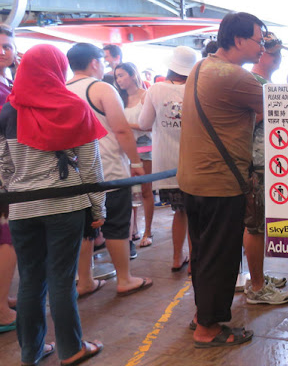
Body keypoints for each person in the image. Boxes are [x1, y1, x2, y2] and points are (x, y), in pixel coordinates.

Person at [0, 44, 105, 365]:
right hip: (65, 206)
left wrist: (8, 200)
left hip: (21, 209)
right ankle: (71, 349)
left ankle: (31, 351)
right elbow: (90, 166)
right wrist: (98, 209)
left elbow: (3, 165)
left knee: (31, 280)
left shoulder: (9, 110)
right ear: (57, 70)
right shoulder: (72, 106)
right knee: (62, 278)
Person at [178, 12, 265, 348]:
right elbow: (285, 105)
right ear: (239, 40)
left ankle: (203, 314)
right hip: (219, 183)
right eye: (258, 41)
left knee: (202, 253)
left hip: (193, 180)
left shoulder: (202, 67)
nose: (260, 48)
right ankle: (209, 329)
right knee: (221, 256)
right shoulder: (234, 76)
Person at [67, 43, 152, 297]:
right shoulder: (101, 88)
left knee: (84, 228)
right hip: (108, 169)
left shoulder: (62, 90)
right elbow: (122, 129)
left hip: (75, 171)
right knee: (116, 223)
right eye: (101, 61)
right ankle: (124, 279)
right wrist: (136, 163)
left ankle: (84, 281)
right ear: (94, 63)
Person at [138, 46, 198, 271]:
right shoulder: (196, 89)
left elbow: (144, 124)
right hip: (194, 162)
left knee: (179, 211)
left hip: (166, 164)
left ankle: (176, 258)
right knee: (195, 214)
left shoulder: (155, 90)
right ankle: (194, 260)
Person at [244, 32, 288, 304]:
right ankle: (257, 287)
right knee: (255, 227)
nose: (278, 58)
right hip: (258, 163)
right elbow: (245, 121)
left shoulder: (265, 83)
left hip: (271, 162)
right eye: (273, 53)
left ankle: (258, 277)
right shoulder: (252, 82)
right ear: (260, 53)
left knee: (260, 224)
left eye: (279, 53)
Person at [114, 62, 154, 249]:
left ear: (132, 75)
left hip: (145, 148)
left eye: (121, 75)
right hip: (124, 149)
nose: (119, 80)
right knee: (130, 192)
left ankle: (148, 231)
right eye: (117, 76)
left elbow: (151, 125)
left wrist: (126, 126)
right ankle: (133, 229)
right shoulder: (118, 98)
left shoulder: (146, 96)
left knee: (146, 191)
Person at [0, 25, 16, 333]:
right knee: (7, 240)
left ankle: (2, 297)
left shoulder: (7, 81)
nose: (3, 51)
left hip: (9, 169)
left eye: (7, 46)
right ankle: (0, 309)